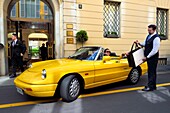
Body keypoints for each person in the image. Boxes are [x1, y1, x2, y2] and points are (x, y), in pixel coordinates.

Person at [135, 24, 161, 91]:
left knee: (151, 72)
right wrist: (139, 43)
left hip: (153, 58)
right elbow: (145, 43)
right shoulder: (149, 36)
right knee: (151, 71)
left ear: (154, 30)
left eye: (150, 30)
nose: (149, 31)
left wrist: (147, 57)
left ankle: (150, 86)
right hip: (149, 57)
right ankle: (153, 86)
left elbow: (155, 50)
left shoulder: (156, 38)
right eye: (148, 30)